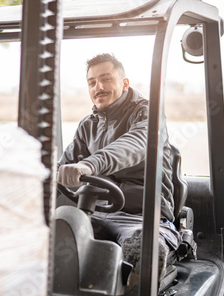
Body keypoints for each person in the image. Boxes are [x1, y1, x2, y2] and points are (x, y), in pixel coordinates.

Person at [56, 53, 181, 288]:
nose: (98, 87)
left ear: (125, 83)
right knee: (47, 242)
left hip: (140, 217)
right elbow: (63, 168)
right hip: (93, 213)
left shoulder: (148, 114)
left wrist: (90, 164)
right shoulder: (88, 125)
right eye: (92, 82)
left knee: (141, 251)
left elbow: (134, 144)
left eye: (106, 79)